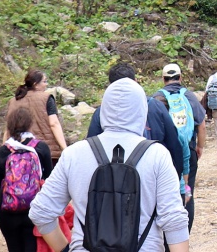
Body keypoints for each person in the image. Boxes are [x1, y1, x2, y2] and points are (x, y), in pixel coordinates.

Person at [29, 77, 190, 252]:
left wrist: (65, 249)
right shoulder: (157, 155)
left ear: (103, 110)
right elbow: (174, 222)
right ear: (142, 112)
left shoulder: (74, 154)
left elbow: (40, 212)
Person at [87, 63, 184, 180]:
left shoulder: (101, 112)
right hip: (150, 173)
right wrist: (176, 177)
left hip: (112, 179)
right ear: (136, 81)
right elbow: (174, 144)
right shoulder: (155, 106)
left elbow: (91, 150)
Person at [0, 105, 53, 252]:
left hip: (8, 213)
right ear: (30, 124)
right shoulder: (41, 148)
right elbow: (50, 181)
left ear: (9, 127)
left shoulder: (2, 151)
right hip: (34, 211)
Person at [156, 63, 205, 230]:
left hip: (165, 153)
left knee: (163, 191)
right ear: (180, 77)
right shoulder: (189, 96)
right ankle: (185, 231)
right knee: (187, 188)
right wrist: (199, 147)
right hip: (188, 150)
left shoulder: (157, 99)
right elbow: (202, 125)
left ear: (163, 79)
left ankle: (166, 232)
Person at [6, 69, 67, 154]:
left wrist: (4, 150)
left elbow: (8, 128)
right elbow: (54, 124)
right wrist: (64, 148)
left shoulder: (13, 101)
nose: (47, 84)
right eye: (44, 81)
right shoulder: (46, 98)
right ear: (36, 84)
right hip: (44, 150)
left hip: (16, 151)